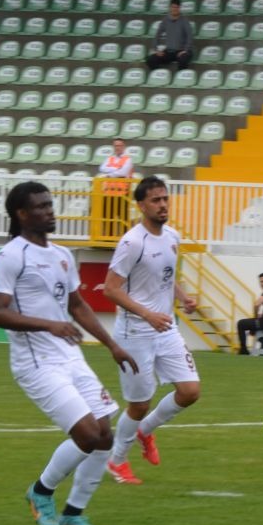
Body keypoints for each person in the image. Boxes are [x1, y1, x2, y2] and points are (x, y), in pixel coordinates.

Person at [0, 181, 138, 525]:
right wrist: (48, 325)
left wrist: (112, 344)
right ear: (22, 215)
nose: (50, 211)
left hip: (70, 358)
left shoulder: (62, 255)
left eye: (50, 204)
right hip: (36, 364)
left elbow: (77, 306)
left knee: (104, 436)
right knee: (86, 433)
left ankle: (73, 514)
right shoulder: (10, 256)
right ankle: (40, 493)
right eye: (41, 206)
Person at [101, 177, 202, 486]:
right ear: (141, 205)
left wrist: (183, 298)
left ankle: (146, 430)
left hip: (165, 328)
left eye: (165, 199)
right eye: (156, 200)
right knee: (139, 403)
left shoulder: (172, 236)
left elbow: (165, 278)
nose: (162, 205)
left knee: (190, 391)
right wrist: (147, 314)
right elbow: (110, 288)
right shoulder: (133, 243)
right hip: (135, 333)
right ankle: (116, 462)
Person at [148, 0, 194, 71]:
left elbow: (190, 36)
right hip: (169, 51)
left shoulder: (184, 20)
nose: (174, 9)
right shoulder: (165, 20)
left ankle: (179, 80)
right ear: (170, 8)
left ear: (179, 8)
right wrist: (156, 49)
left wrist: (185, 50)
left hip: (182, 51)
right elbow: (158, 34)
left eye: (177, 7)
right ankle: (160, 75)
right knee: (151, 59)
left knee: (183, 61)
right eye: (173, 7)